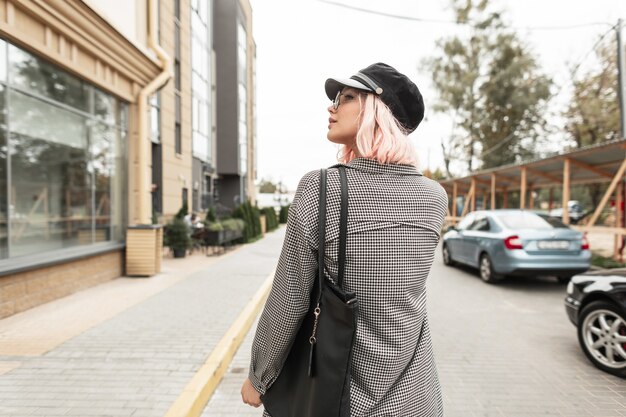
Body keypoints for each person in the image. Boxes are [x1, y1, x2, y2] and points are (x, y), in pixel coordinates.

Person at [241, 63, 447, 416]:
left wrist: (259, 376)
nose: (332, 107)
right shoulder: (434, 196)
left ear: (377, 112)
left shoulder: (322, 188)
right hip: (414, 396)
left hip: (334, 396)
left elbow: (289, 297)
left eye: (347, 97)